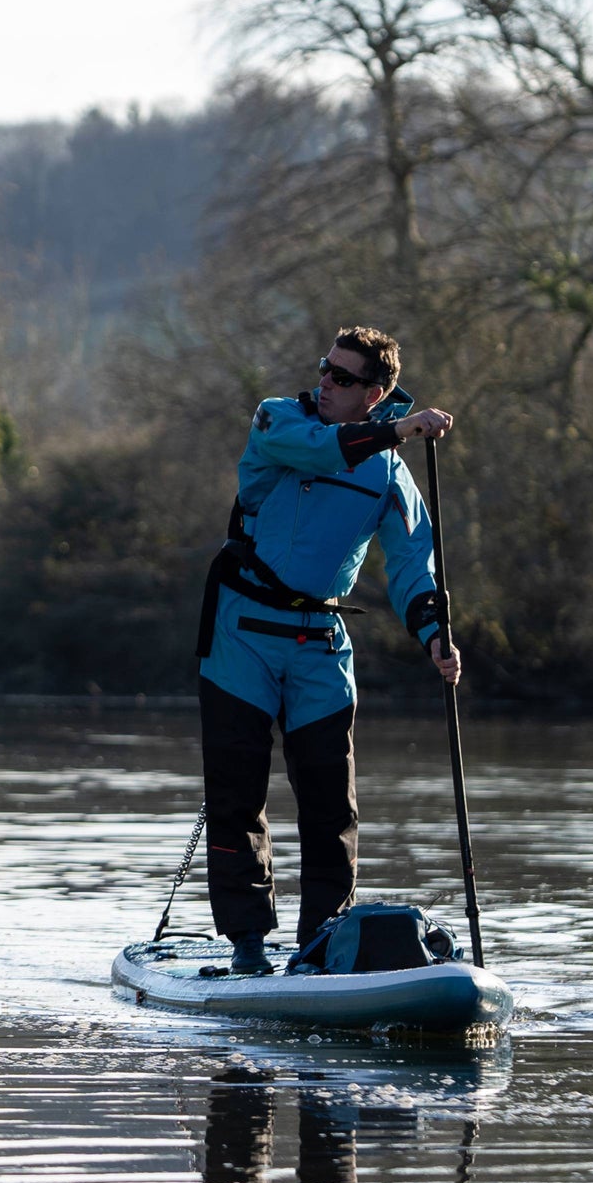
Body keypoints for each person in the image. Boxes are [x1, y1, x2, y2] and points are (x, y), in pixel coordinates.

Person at [195, 327, 460, 974]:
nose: (325, 383)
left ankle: (320, 948)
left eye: (343, 379)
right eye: (325, 369)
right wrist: (399, 431)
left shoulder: (392, 475)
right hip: (242, 635)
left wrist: (435, 634)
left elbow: (412, 567)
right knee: (237, 798)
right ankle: (248, 947)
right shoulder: (278, 421)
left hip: (319, 645)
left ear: (375, 392)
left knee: (330, 810)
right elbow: (327, 451)